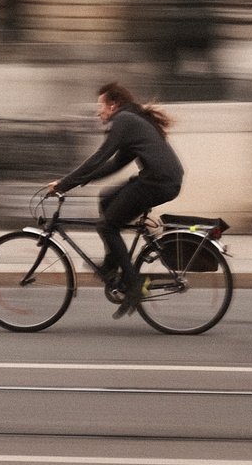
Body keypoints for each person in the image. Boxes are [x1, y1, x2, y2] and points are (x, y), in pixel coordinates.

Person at [48, 82, 183, 318]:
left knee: (107, 226)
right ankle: (111, 267)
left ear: (113, 105)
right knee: (106, 199)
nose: (98, 111)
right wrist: (84, 180)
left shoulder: (123, 121)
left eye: (100, 105)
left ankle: (133, 286)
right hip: (161, 180)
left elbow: (100, 156)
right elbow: (116, 164)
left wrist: (64, 183)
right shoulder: (131, 122)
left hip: (158, 183)